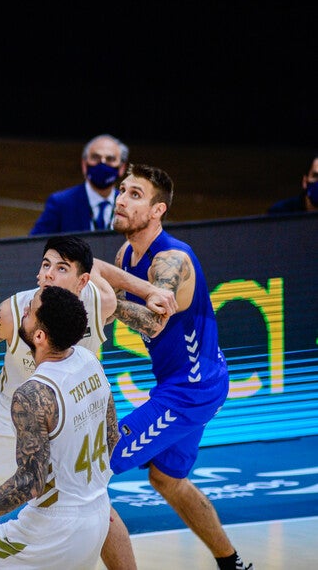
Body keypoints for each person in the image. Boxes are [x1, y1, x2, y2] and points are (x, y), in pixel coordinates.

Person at [0, 235, 173, 569]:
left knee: (98, 508)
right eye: (45, 265)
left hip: (61, 421)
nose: (47, 274)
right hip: (6, 417)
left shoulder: (99, 301)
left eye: (61, 268)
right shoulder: (18, 310)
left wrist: (150, 293)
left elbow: (142, 312)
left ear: (83, 280)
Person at [108, 163, 253, 570]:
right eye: (122, 190)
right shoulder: (125, 254)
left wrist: (108, 303)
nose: (121, 198)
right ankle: (233, 564)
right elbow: (109, 311)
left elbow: (154, 320)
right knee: (166, 480)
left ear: (158, 210)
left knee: (95, 463)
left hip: (191, 389)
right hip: (190, 381)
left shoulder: (172, 260)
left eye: (135, 194)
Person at [0, 285, 118, 569]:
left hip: (53, 528)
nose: (24, 310)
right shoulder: (90, 361)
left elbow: (29, 483)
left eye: (29, 311)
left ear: (39, 337)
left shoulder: (32, 393)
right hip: (98, 514)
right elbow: (111, 436)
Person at [30, 134, 129, 235]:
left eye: (110, 159)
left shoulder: (129, 205)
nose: (102, 164)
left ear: (122, 168)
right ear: (84, 165)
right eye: (95, 157)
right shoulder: (60, 203)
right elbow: (33, 244)